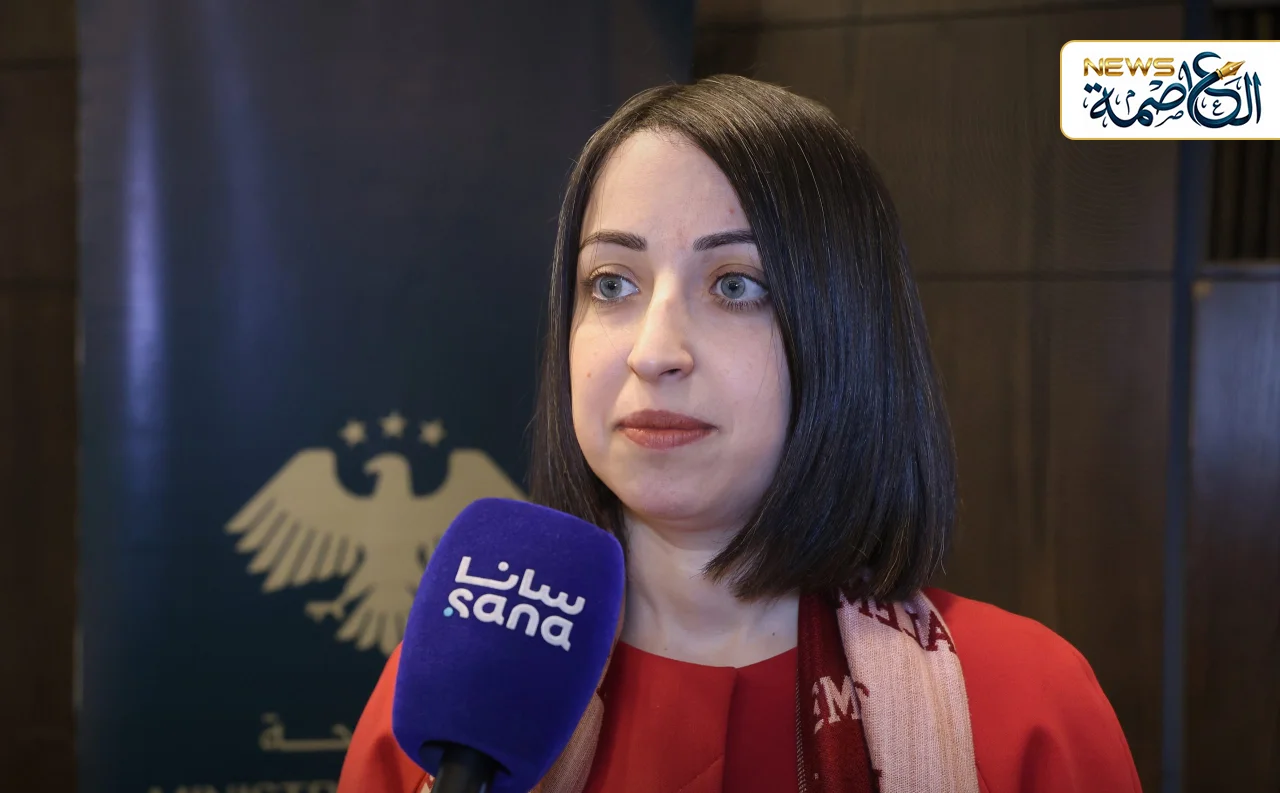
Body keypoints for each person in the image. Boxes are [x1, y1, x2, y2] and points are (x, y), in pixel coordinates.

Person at [336, 75, 1142, 793]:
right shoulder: (458, 691)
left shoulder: (1024, 703)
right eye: (611, 283)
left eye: (735, 285)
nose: (654, 351)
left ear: (844, 328)